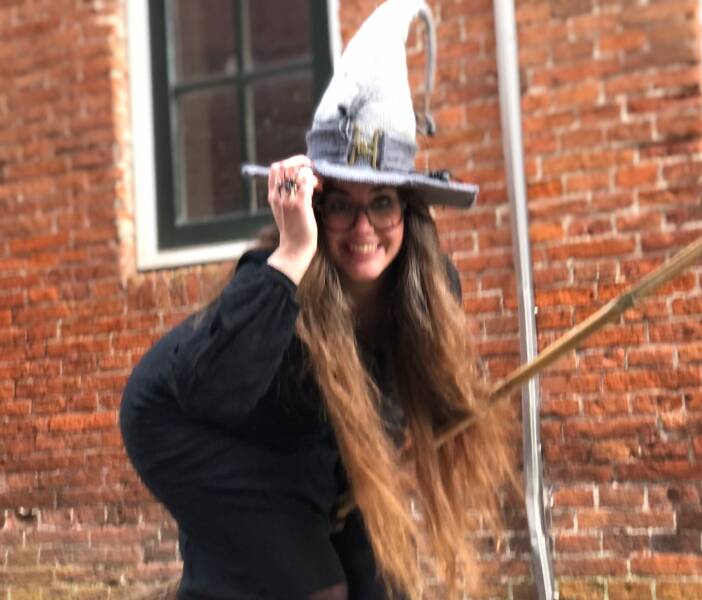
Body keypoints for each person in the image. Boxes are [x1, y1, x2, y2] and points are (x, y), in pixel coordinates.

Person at [120, 1, 516, 598]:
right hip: (191, 428)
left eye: (381, 203)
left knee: (384, 585)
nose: (363, 228)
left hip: (300, 443)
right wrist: (295, 248)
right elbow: (215, 393)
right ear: (314, 207)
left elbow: (380, 409)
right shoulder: (275, 282)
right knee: (318, 588)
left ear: (407, 212)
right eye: (339, 206)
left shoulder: (429, 288)